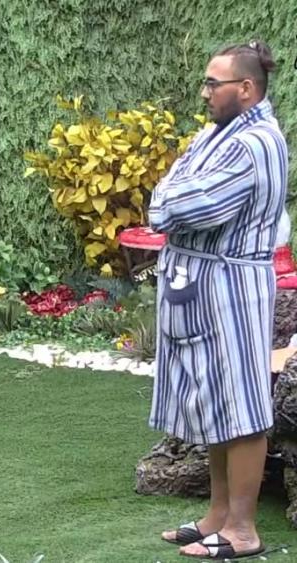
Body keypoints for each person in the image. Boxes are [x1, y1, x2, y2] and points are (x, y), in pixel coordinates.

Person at [148, 40, 288, 560]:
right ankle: (218, 515)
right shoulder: (217, 133)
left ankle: (243, 531)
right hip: (201, 281)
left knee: (242, 404)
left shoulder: (255, 142)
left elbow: (187, 204)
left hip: (233, 285)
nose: (205, 92)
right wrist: (169, 196)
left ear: (246, 88)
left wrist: (167, 199)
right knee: (214, 400)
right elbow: (170, 189)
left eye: (214, 83)